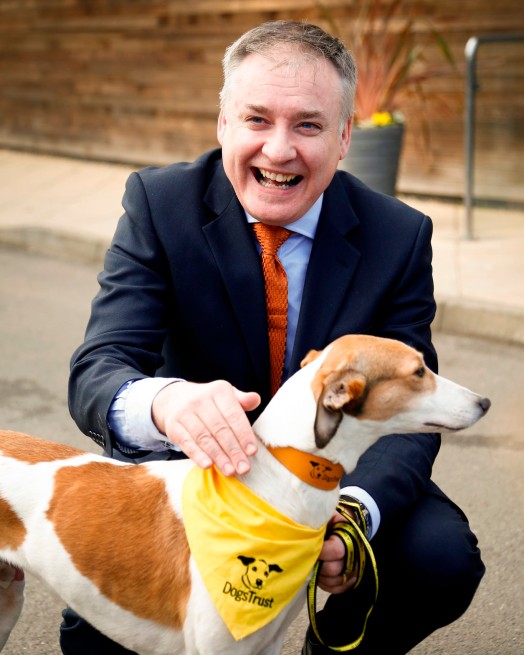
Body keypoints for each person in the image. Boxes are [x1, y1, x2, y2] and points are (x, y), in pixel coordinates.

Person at [65, 20, 485, 655]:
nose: (279, 150)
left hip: (331, 476)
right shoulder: (160, 203)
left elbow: (412, 409)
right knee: (99, 645)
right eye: (256, 119)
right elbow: (102, 365)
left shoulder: (399, 236)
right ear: (224, 125)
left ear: (345, 136)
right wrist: (165, 402)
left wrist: (348, 519)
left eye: (308, 125)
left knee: (440, 559)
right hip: (191, 486)